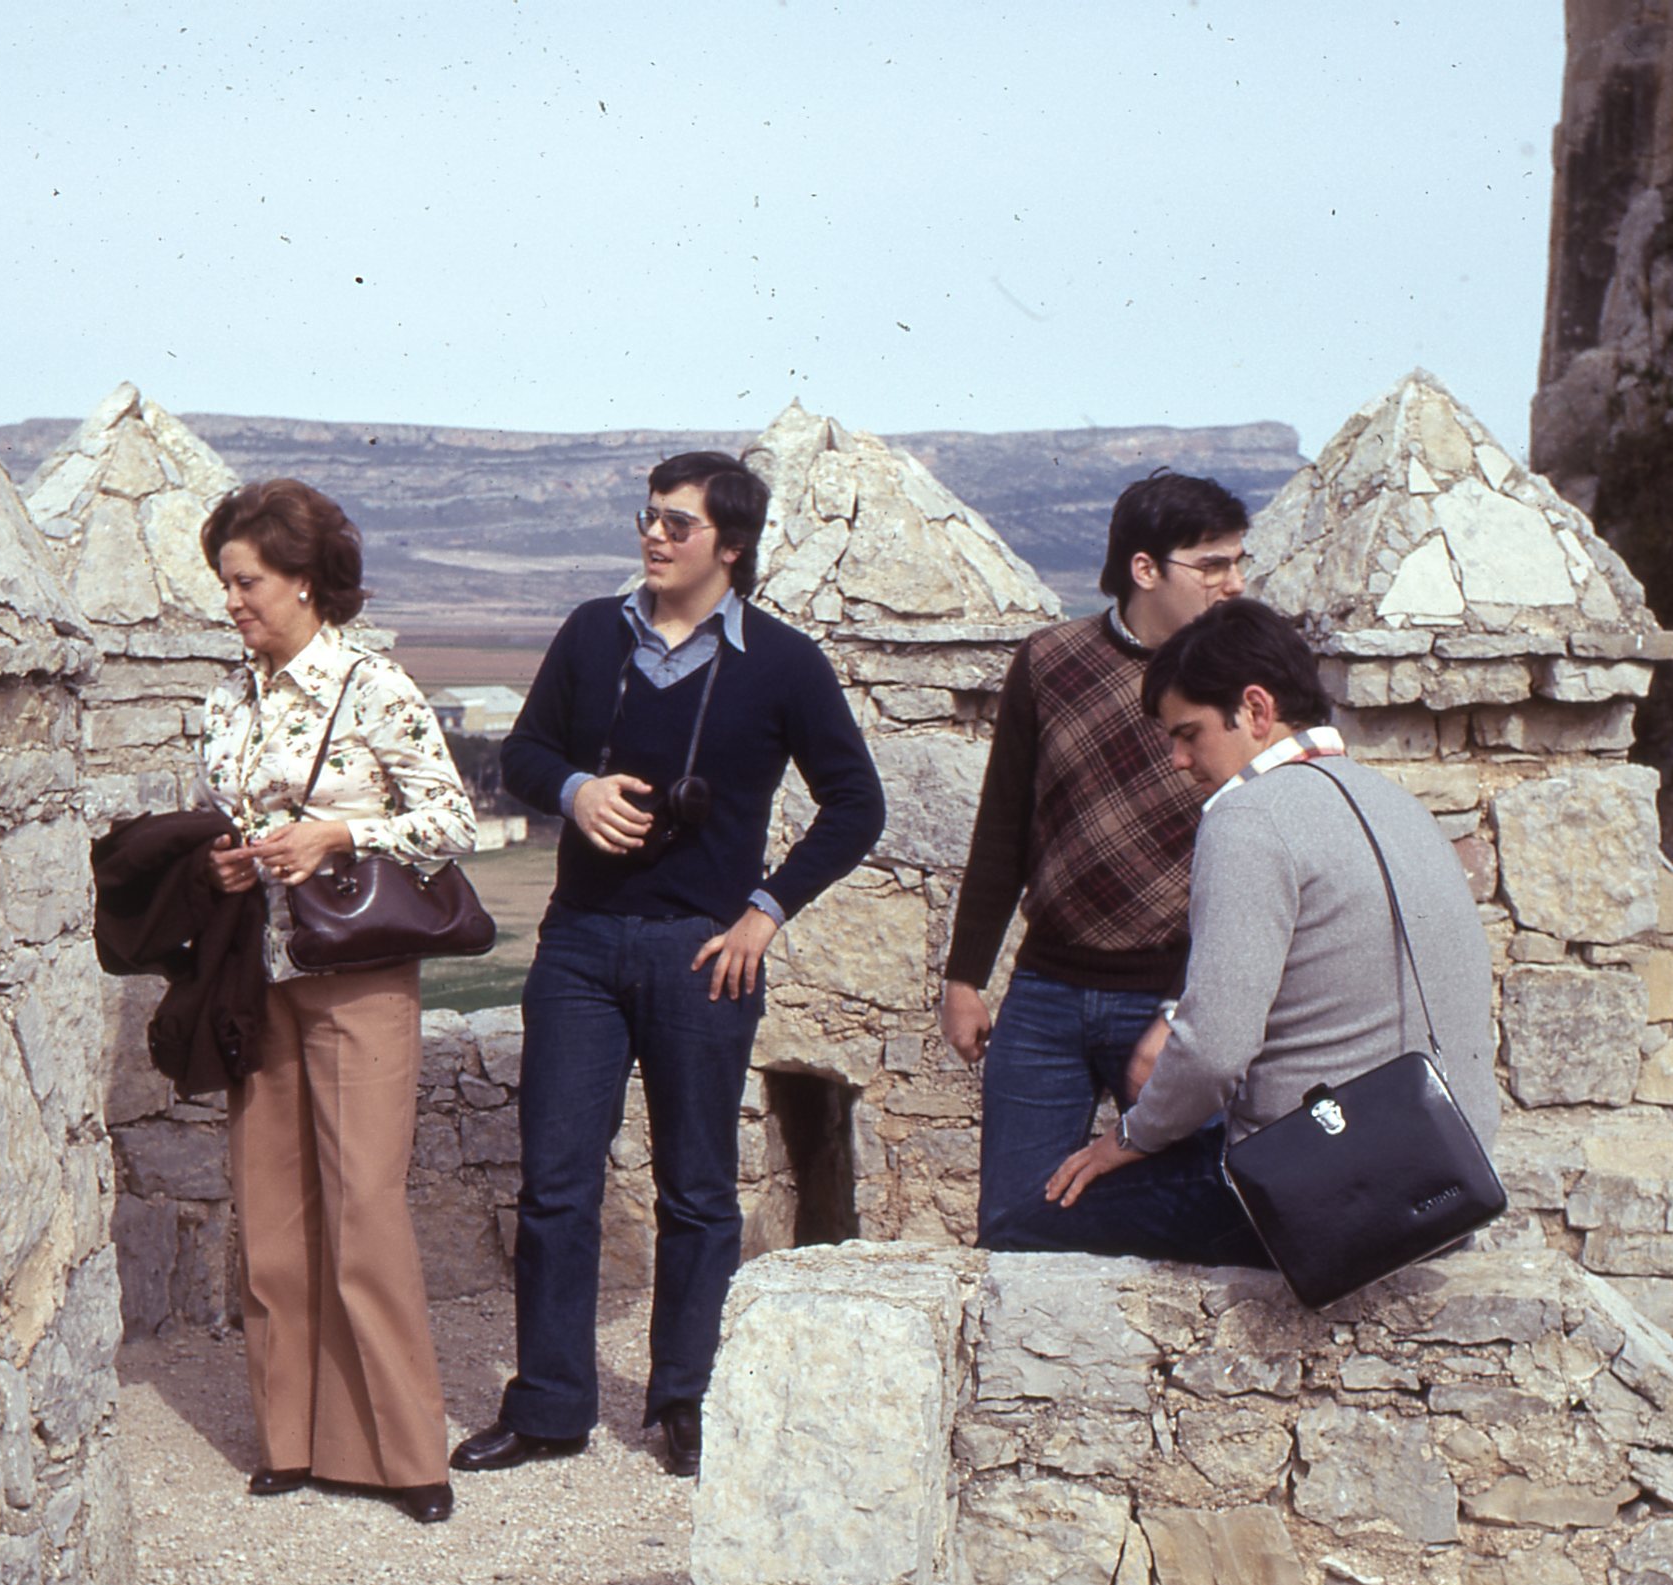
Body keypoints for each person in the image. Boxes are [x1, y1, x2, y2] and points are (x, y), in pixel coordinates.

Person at [461, 451, 886, 1480]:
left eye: (677, 524)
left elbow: (856, 805)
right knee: (556, 1184)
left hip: (704, 954)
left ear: (730, 546)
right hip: (579, 941)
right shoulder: (591, 633)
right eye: (647, 517)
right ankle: (549, 1406)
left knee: (697, 1188)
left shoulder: (783, 662)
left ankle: (685, 1401)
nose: (653, 536)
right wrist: (576, 792)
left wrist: (765, 913)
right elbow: (522, 755)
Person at [1039, 597, 1499, 1256]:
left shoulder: (1249, 819)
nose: (1177, 760)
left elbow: (1212, 1052)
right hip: (1446, 1180)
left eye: (1188, 733)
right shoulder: (1397, 803)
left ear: (1256, 710)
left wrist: (1130, 1138)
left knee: (1023, 1218)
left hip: (1330, 1195)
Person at [198, 478, 478, 1524]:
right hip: (257, 978)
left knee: (364, 1209)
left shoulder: (376, 688)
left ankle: (406, 1455)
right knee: (270, 1216)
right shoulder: (225, 702)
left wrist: (339, 835)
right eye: (225, 583)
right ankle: (291, 1440)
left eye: (247, 582)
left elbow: (451, 821)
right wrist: (228, 860)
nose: (232, 601)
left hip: (358, 979)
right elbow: (222, 818)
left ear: (305, 581)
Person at [941, 471, 1252, 1249]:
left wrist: (1184, 1009)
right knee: (1010, 1227)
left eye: (1237, 561)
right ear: (1144, 569)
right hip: (1045, 997)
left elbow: (1261, 853)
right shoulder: (1049, 662)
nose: (1234, 582)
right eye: (1211, 565)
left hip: (1172, 1001)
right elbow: (1002, 826)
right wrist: (964, 978)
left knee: (1206, 1221)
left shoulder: (1245, 683)